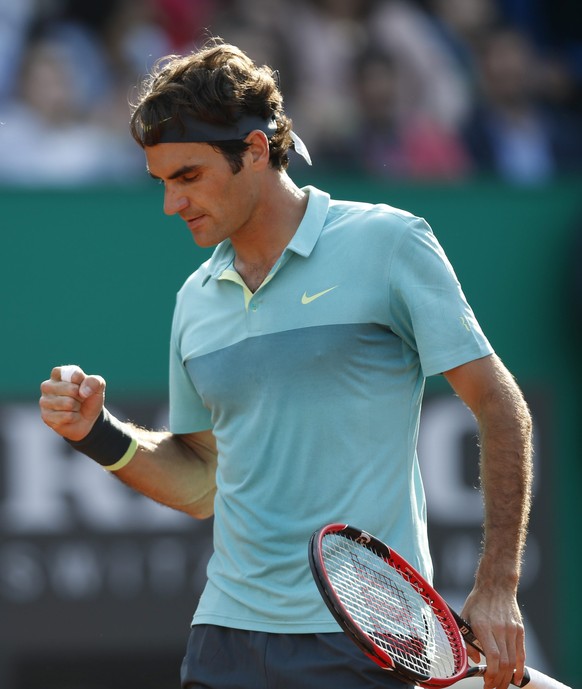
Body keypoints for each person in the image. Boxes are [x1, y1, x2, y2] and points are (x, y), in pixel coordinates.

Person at [39, 38, 533, 689]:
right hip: (224, 636)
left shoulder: (389, 242)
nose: (170, 203)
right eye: (162, 182)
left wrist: (497, 583)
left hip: (368, 637)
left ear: (253, 150)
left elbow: (501, 406)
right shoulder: (194, 299)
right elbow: (200, 484)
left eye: (188, 176)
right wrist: (96, 433)